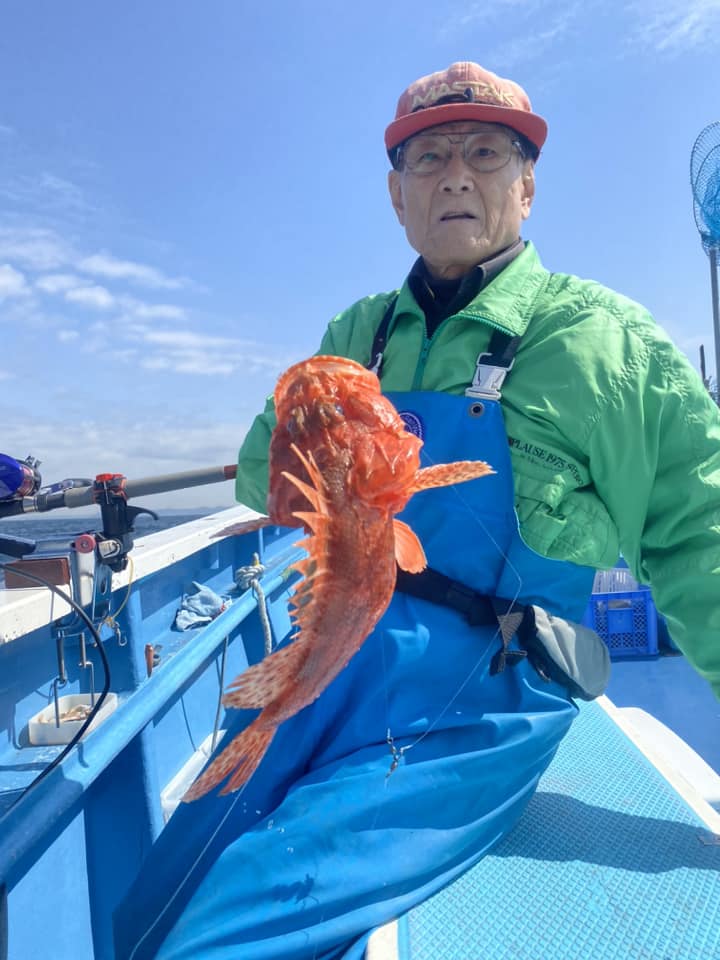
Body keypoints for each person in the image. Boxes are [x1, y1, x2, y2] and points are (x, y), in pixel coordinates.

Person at [115, 61, 720, 960]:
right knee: (165, 883)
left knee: (229, 923)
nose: (456, 176)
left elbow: (699, 540)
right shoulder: (355, 334)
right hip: (334, 650)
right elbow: (262, 485)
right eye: (429, 158)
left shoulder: (603, 343)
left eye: (486, 153)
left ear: (528, 186)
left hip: (482, 694)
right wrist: (297, 421)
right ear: (398, 196)